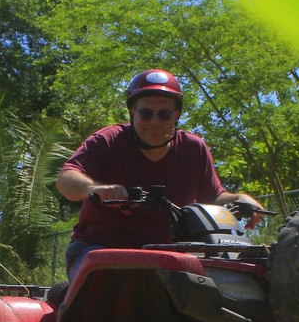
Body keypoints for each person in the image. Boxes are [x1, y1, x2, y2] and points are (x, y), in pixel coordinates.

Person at [56, 68, 265, 280]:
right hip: (98, 250)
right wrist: (94, 189)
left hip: (166, 255)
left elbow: (214, 197)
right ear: (132, 112)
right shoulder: (108, 140)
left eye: (164, 114)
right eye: (146, 113)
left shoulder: (193, 149)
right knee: (115, 284)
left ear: (177, 115)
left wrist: (240, 198)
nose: (155, 122)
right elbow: (66, 178)